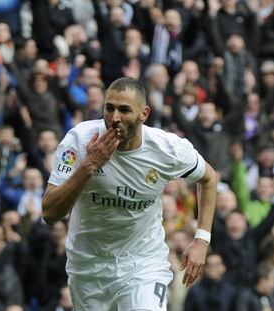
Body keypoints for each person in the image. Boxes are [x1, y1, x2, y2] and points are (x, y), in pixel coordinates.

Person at [42, 77, 217, 310]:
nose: (115, 118)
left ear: (144, 114)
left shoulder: (167, 149)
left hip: (142, 262)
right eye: (109, 108)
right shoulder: (78, 141)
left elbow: (209, 178)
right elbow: (50, 212)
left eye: (124, 110)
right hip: (88, 266)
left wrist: (202, 240)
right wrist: (88, 166)